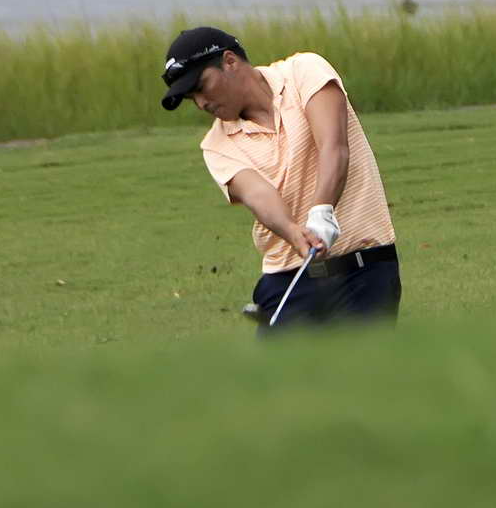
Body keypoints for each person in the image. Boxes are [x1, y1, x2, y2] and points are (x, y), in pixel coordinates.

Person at [159, 26, 400, 328]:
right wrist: (292, 231)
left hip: (366, 271)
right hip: (289, 281)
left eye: (201, 86)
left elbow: (333, 146)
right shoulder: (216, 145)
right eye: (191, 98)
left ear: (230, 61)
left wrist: (322, 211)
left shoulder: (304, 71)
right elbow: (259, 196)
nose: (201, 103)